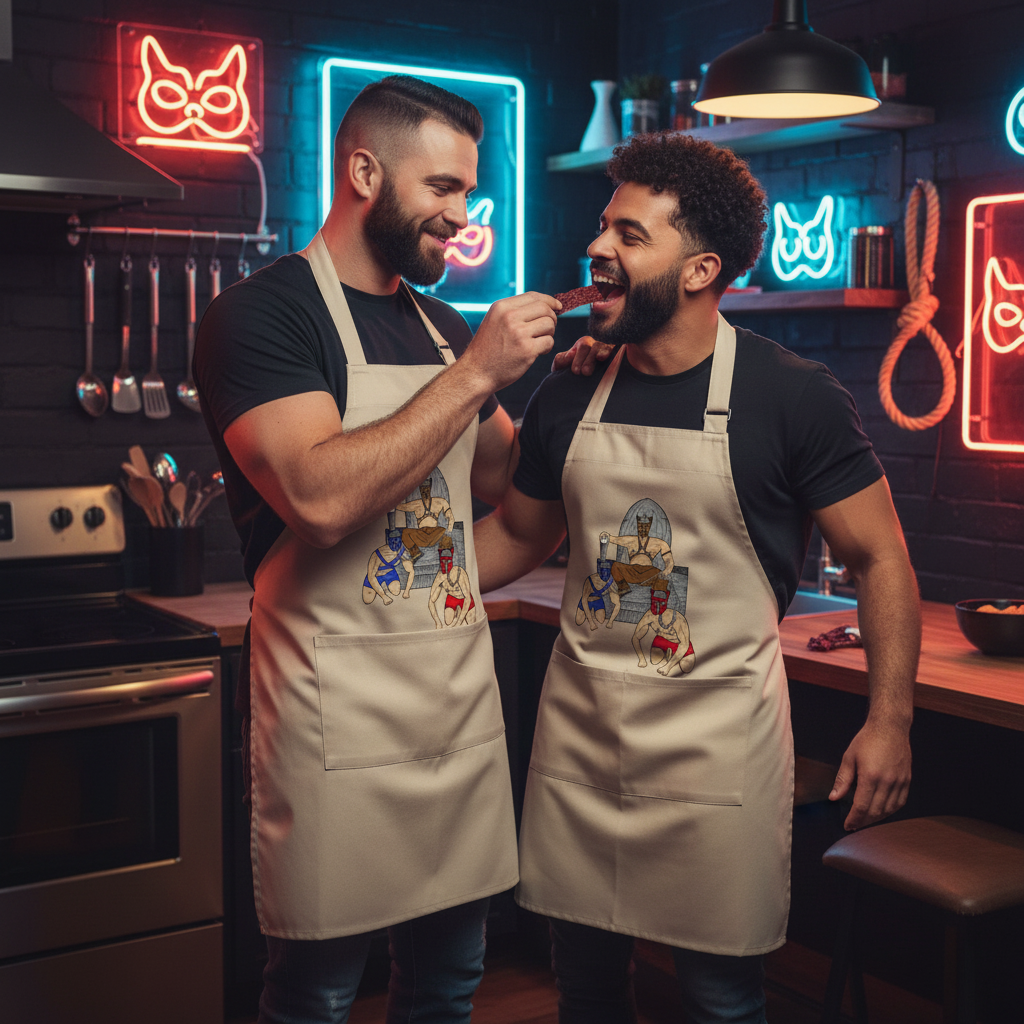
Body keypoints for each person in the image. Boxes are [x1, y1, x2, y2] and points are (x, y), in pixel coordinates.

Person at [474, 131, 920, 1024]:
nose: (597, 248)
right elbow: (517, 536)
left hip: (716, 755)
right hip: (582, 749)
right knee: (588, 989)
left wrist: (890, 720)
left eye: (629, 236)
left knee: (721, 998)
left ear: (699, 269)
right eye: (602, 227)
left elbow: (880, 560)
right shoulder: (569, 389)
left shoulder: (791, 395)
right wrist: (385, 584)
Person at [194, 75, 559, 1024]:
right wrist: (479, 373)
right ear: (365, 171)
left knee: (449, 984)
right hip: (334, 724)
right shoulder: (263, 317)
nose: (461, 216)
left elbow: (515, 498)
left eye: (468, 193)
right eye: (442, 188)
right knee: (315, 993)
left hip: (455, 712)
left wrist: (574, 386)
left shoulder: (442, 330)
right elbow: (319, 497)